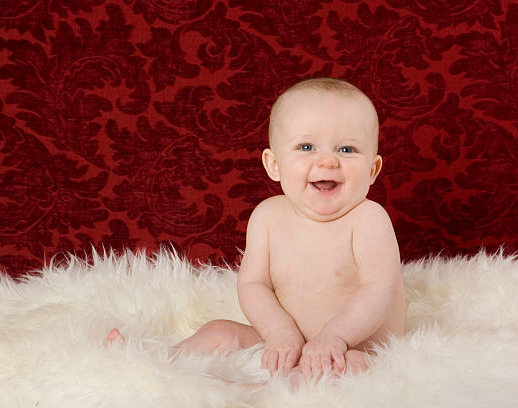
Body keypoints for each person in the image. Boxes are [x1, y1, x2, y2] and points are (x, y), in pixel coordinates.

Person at [108, 77, 405, 381]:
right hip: (284, 342)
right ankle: (156, 361)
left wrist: (335, 338)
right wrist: (278, 332)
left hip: (352, 346)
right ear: (274, 164)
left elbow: (378, 289)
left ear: (372, 170)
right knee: (219, 332)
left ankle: (265, 396)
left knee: (354, 370)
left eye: (346, 149)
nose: (327, 161)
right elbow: (254, 284)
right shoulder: (268, 217)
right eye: (306, 146)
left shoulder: (368, 219)